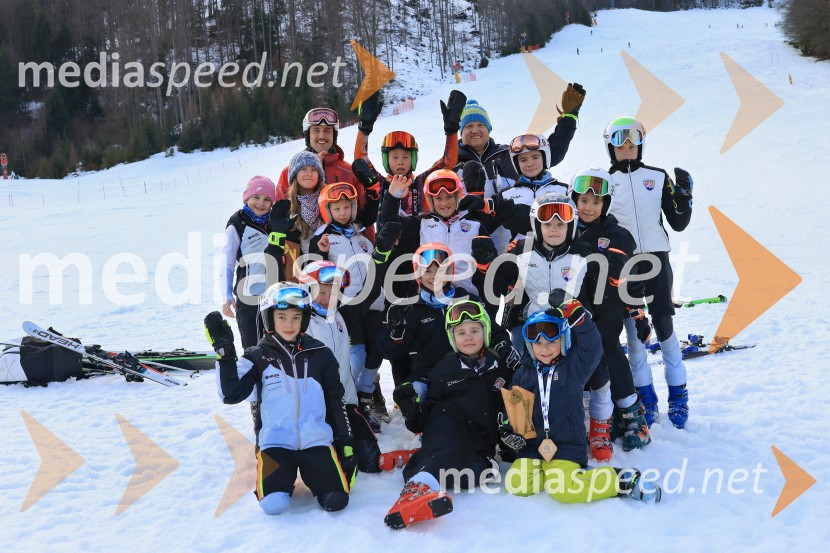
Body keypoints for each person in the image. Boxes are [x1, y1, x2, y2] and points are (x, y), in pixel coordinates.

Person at [204, 282, 356, 515]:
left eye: (296, 317)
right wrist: (225, 354)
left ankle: (317, 471)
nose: (289, 324)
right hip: (275, 444)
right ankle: (275, 478)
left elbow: (336, 401)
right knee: (273, 505)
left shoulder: (320, 354)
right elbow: (230, 395)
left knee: (336, 501)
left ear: (304, 319)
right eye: (282, 316)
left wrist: (345, 442)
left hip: (316, 441)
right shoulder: (256, 356)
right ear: (269, 318)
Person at [501, 303, 662, 504]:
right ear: (529, 346)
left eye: (551, 342)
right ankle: (563, 475)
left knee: (564, 491)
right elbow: (516, 409)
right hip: (534, 447)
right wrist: (510, 428)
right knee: (517, 485)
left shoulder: (573, 368)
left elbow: (592, 346)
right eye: (538, 343)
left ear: (563, 340)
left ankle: (622, 480)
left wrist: (579, 317)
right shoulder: (523, 374)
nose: (544, 349)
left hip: (566, 446)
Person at [385, 300, 513, 529]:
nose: (469, 337)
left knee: (479, 472)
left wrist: (510, 432)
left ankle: (418, 458)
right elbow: (423, 420)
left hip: (479, 440)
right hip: (447, 425)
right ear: (452, 337)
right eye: (461, 332)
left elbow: (512, 406)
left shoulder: (500, 366)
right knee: (447, 445)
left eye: (475, 330)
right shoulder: (444, 368)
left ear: (485, 331)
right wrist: (412, 410)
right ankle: (413, 493)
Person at [603, 117, 693, 429]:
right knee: (633, 330)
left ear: (640, 145)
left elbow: (678, 222)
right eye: (620, 144)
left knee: (664, 324)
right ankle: (646, 398)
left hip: (656, 258)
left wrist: (685, 199)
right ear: (611, 148)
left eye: (632, 144)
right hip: (624, 264)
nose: (627, 149)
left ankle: (678, 394)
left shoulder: (656, 176)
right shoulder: (605, 181)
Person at [569, 168, 652, 454]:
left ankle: (633, 416)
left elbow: (625, 277)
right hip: (576, 305)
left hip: (608, 305)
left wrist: (639, 315)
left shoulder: (617, 234)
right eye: (584, 201)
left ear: (605, 205)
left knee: (606, 349)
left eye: (596, 202)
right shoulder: (565, 228)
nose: (589, 207)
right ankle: (599, 416)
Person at [379, 243, 520, 401]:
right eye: (427, 271)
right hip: (429, 376)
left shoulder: (466, 299)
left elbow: (492, 330)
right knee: (411, 397)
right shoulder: (412, 309)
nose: (435, 277)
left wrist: (503, 344)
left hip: (469, 370)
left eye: (441, 270)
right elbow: (391, 352)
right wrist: (396, 332)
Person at [298, 261, 382, 473]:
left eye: (334, 292)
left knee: (371, 461)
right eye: (321, 292)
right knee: (338, 464)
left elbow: (370, 292)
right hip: (317, 411)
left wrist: (380, 256)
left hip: (346, 404)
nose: (328, 299)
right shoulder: (300, 325)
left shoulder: (340, 318)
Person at [453, 87, 585, 203]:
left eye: (480, 125)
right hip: (470, 230)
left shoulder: (507, 155)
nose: (475, 130)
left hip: (510, 227)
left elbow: (551, 152)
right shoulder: (451, 163)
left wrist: (569, 118)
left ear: (489, 129)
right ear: (461, 131)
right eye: (469, 126)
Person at [354, 90, 466, 216]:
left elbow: (447, 164)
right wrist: (364, 129)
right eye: (395, 157)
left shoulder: (421, 183)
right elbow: (361, 162)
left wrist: (451, 131)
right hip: (386, 235)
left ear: (413, 159)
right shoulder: (379, 184)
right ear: (386, 160)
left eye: (406, 157)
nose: (400, 161)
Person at [221, 176, 275, 348]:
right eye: (256, 197)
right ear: (247, 198)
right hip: (249, 297)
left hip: (274, 294)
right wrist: (227, 295)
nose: (261, 203)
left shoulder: (275, 222)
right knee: (252, 345)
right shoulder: (237, 224)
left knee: (275, 343)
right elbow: (227, 262)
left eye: (267, 199)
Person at [266, 151, 326, 279]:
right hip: (295, 280)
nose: (309, 173)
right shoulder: (283, 209)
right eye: (303, 169)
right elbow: (275, 251)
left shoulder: (329, 203)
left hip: (326, 276)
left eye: (314, 169)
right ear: (294, 174)